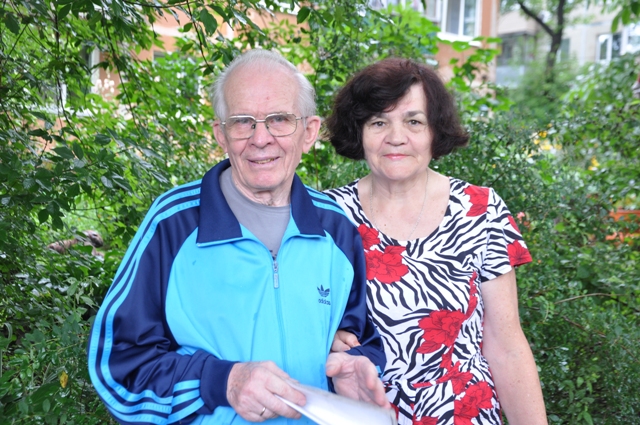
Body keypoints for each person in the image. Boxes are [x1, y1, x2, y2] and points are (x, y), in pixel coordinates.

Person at [87, 49, 388, 425]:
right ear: (221, 135)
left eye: (279, 119)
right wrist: (222, 381)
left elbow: (358, 338)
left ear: (309, 133)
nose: (261, 138)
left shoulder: (336, 228)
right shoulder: (173, 224)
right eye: (243, 122)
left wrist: (355, 366)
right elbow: (119, 368)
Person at [324, 58, 547, 425]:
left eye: (414, 121)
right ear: (358, 131)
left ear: (435, 131)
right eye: (378, 122)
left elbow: (506, 345)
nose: (396, 137)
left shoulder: (480, 210)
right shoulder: (328, 217)